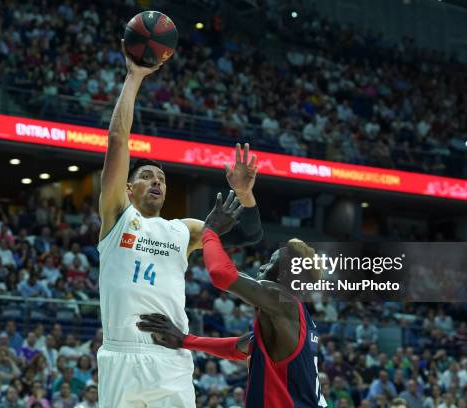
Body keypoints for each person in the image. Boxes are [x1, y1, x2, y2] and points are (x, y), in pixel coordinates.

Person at [96, 40, 263, 408]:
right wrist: (134, 76)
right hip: (120, 354)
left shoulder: (184, 230)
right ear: (128, 188)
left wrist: (245, 194)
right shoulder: (116, 216)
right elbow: (116, 140)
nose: (157, 181)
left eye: (162, 178)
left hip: (169, 354)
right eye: (147, 176)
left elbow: (251, 235)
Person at [138, 194, 326, 407]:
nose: (262, 266)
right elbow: (239, 348)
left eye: (272, 263)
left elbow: (221, 274)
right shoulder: (296, 321)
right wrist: (185, 340)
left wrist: (210, 232)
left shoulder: (282, 300)